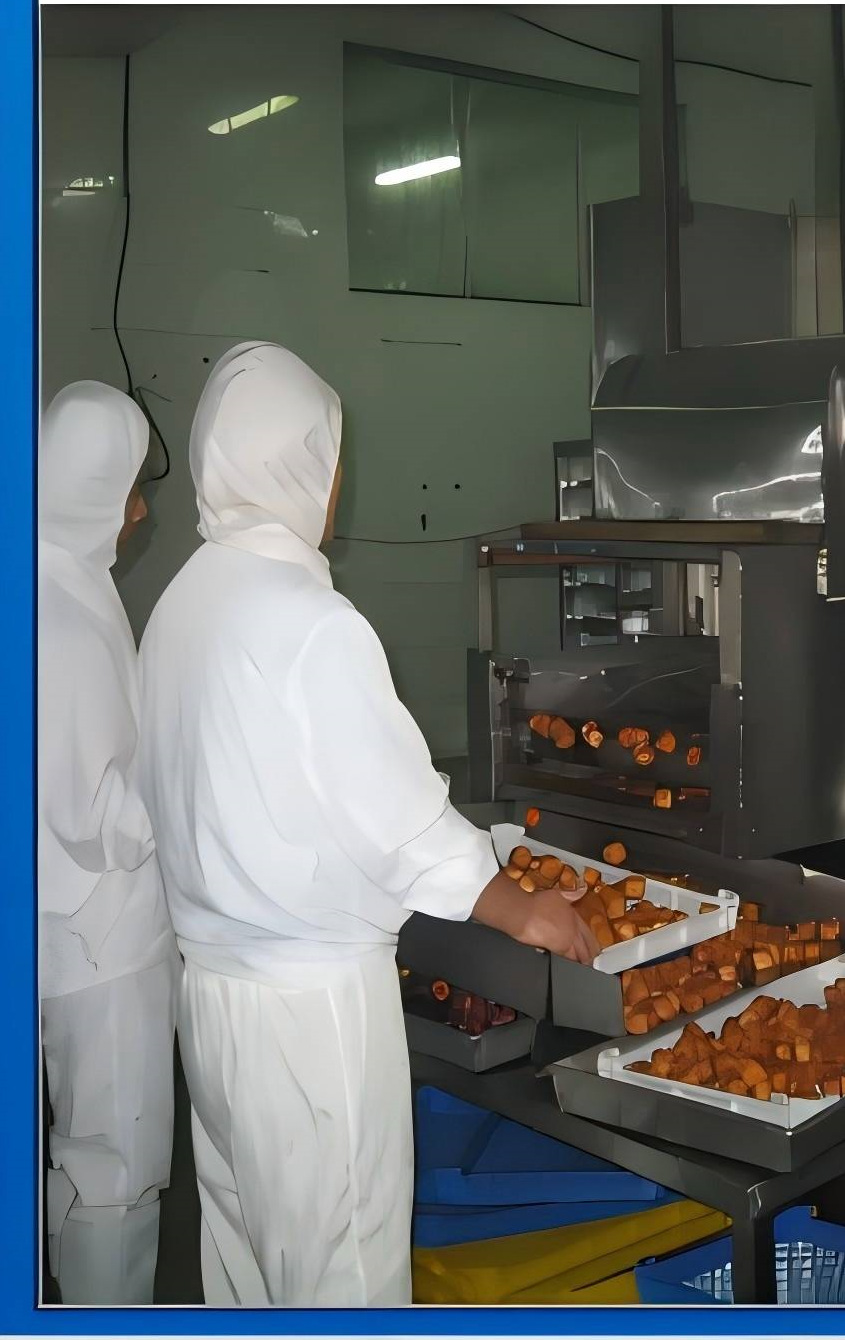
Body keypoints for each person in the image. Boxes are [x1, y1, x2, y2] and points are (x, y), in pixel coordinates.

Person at [135, 342, 597, 1307]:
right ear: (299, 461)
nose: (337, 480)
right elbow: (391, 811)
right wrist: (516, 904)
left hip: (212, 1001)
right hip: (312, 1019)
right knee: (342, 1281)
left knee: (246, 1273)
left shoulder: (179, 604)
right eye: (332, 455)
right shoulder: (310, 621)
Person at [39, 381, 177, 1306]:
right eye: (130, 490)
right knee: (116, 1171)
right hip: (101, 940)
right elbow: (92, 814)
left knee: (83, 1159)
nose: (140, 513)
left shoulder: (63, 578)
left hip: (76, 929)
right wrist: (190, 777)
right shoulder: (56, 617)